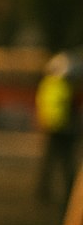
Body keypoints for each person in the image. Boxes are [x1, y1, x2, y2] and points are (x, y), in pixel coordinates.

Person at [35, 52, 77, 204]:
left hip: (51, 128)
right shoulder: (65, 86)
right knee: (66, 165)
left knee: (49, 163)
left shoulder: (46, 84)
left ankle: (43, 193)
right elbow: (72, 109)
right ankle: (69, 195)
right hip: (64, 130)